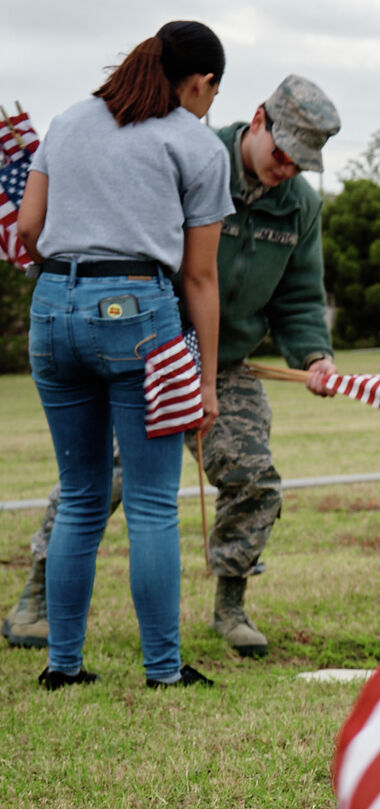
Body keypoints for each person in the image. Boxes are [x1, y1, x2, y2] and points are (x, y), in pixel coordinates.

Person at [8, 77, 345, 657]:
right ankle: (35, 598)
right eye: (283, 153)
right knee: (101, 480)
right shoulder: (189, 154)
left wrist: (315, 356)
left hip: (229, 359)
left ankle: (230, 606)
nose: (287, 169)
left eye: (301, 163)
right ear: (258, 120)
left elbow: (298, 295)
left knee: (254, 477)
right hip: (149, 347)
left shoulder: (299, 207)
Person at [15, 21, 230, 688]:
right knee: (151, 504)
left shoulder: (68, 120)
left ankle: (63, 666)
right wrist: (209, 383)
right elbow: (198, 277)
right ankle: (163, 671)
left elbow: (26, 228)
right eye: (210, 95)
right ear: (201, 83)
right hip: (141, 312)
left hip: (54, 306)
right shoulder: (194, 143)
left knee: (80, 496)